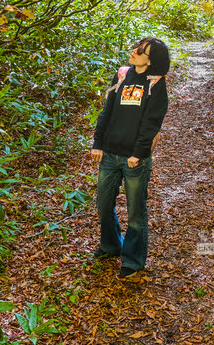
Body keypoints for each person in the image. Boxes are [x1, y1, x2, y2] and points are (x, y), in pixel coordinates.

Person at [90, 37, 170, 280]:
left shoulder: (155, 84)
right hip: (110, 154)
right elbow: (107, 110)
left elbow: (151, 123)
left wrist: (139, 152)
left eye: (141, 51)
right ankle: (111, 246)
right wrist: (98, 143)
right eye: (136, 47)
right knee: (103, 205)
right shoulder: (122, 74)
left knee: (136, 212)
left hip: (135, 159)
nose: (134, 52)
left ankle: (133, 260)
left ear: (151, 60)